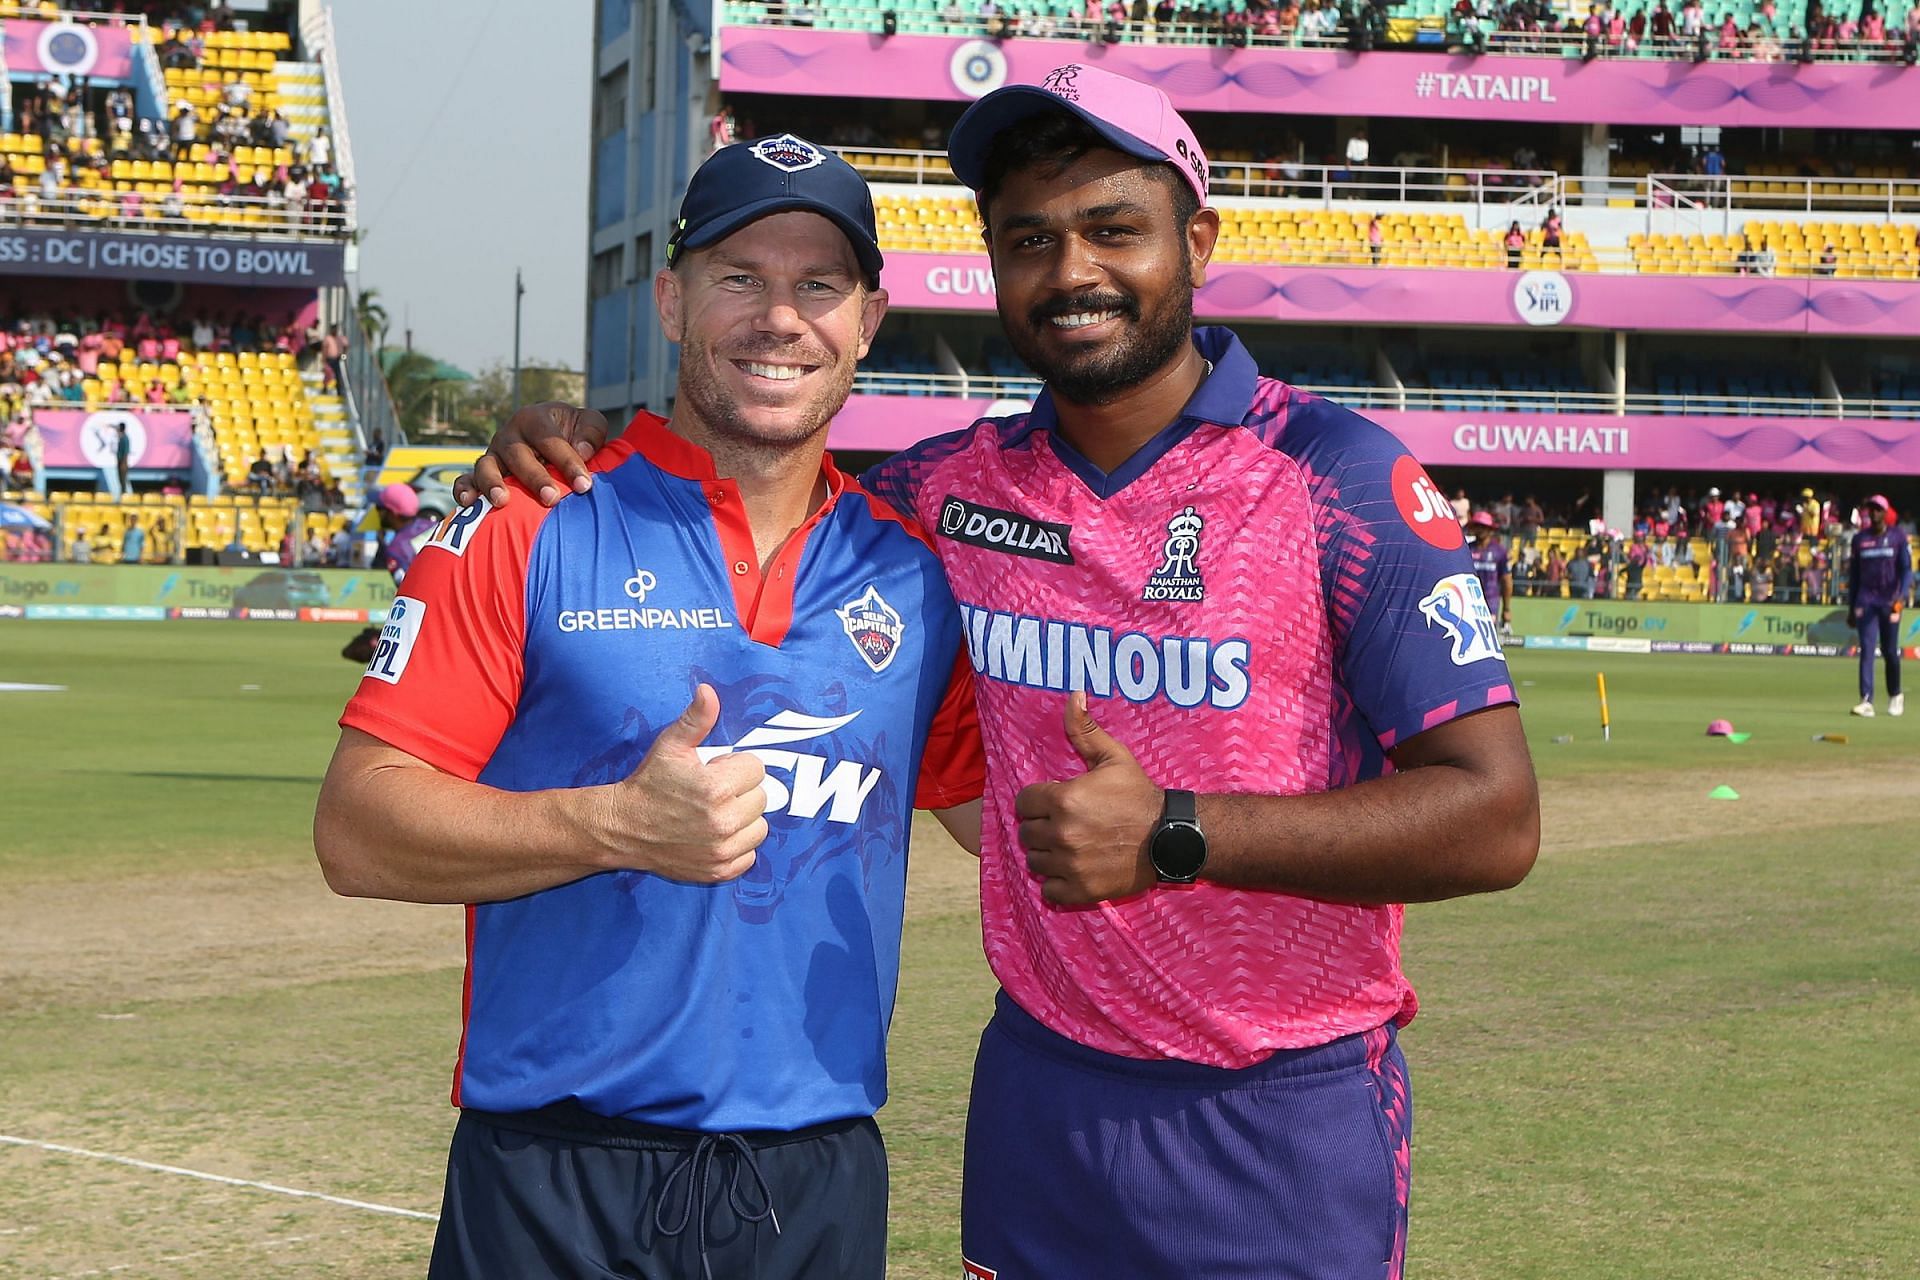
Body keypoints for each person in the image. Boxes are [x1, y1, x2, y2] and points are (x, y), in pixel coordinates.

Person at [458, 65, 1539, 1277]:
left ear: (1199, 239)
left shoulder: (1338, 480)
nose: (1071, 269)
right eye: (1030, 239)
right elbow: (758, 483)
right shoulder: (944, 496)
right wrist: (575, 444)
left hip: (1275, 1109)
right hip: (1036, 1101)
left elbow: (1495, 816)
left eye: (1113, 229)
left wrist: (1178, 831)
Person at [313, 135, 984, 1280]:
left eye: (818, 284)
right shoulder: (529, 520)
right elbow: (357, 830)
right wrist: (614, 826)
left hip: (816, 1188)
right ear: (672, 300)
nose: (780, 316)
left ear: (868, 319)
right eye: (739, 278)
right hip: (556, 1183)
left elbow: (1013, 830)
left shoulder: (917, 573)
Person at [336, 482, 437, 665]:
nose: (377, 513)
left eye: (380, 508)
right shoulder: (432, 524)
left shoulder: (397, 549)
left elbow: (413, 596)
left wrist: (381, 640)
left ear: (393, 513)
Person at [1847, 494, 1910, 717]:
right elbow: (1854, 576)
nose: (1872, 514)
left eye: (1877, 510)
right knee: (1866, 649)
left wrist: (1900, 598)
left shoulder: (1897, 537)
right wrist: (1851, 607)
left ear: (1885, 512)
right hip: (1866, 601)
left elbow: (1906, 570)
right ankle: (1866, 701)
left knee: (1889, 651)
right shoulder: (1859, 539)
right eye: (1870, 510)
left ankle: (1895, 694)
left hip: (1890, 601)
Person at [1468, 510, 1513, 631]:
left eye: (1484, 526)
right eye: (1477, 526)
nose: (1480, 529)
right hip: (1468, 603)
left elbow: (1506, 581)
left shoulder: (1500, 551)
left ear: (1491, 529)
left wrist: (1507, 609)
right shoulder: (1466, 549)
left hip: (1490, 603)